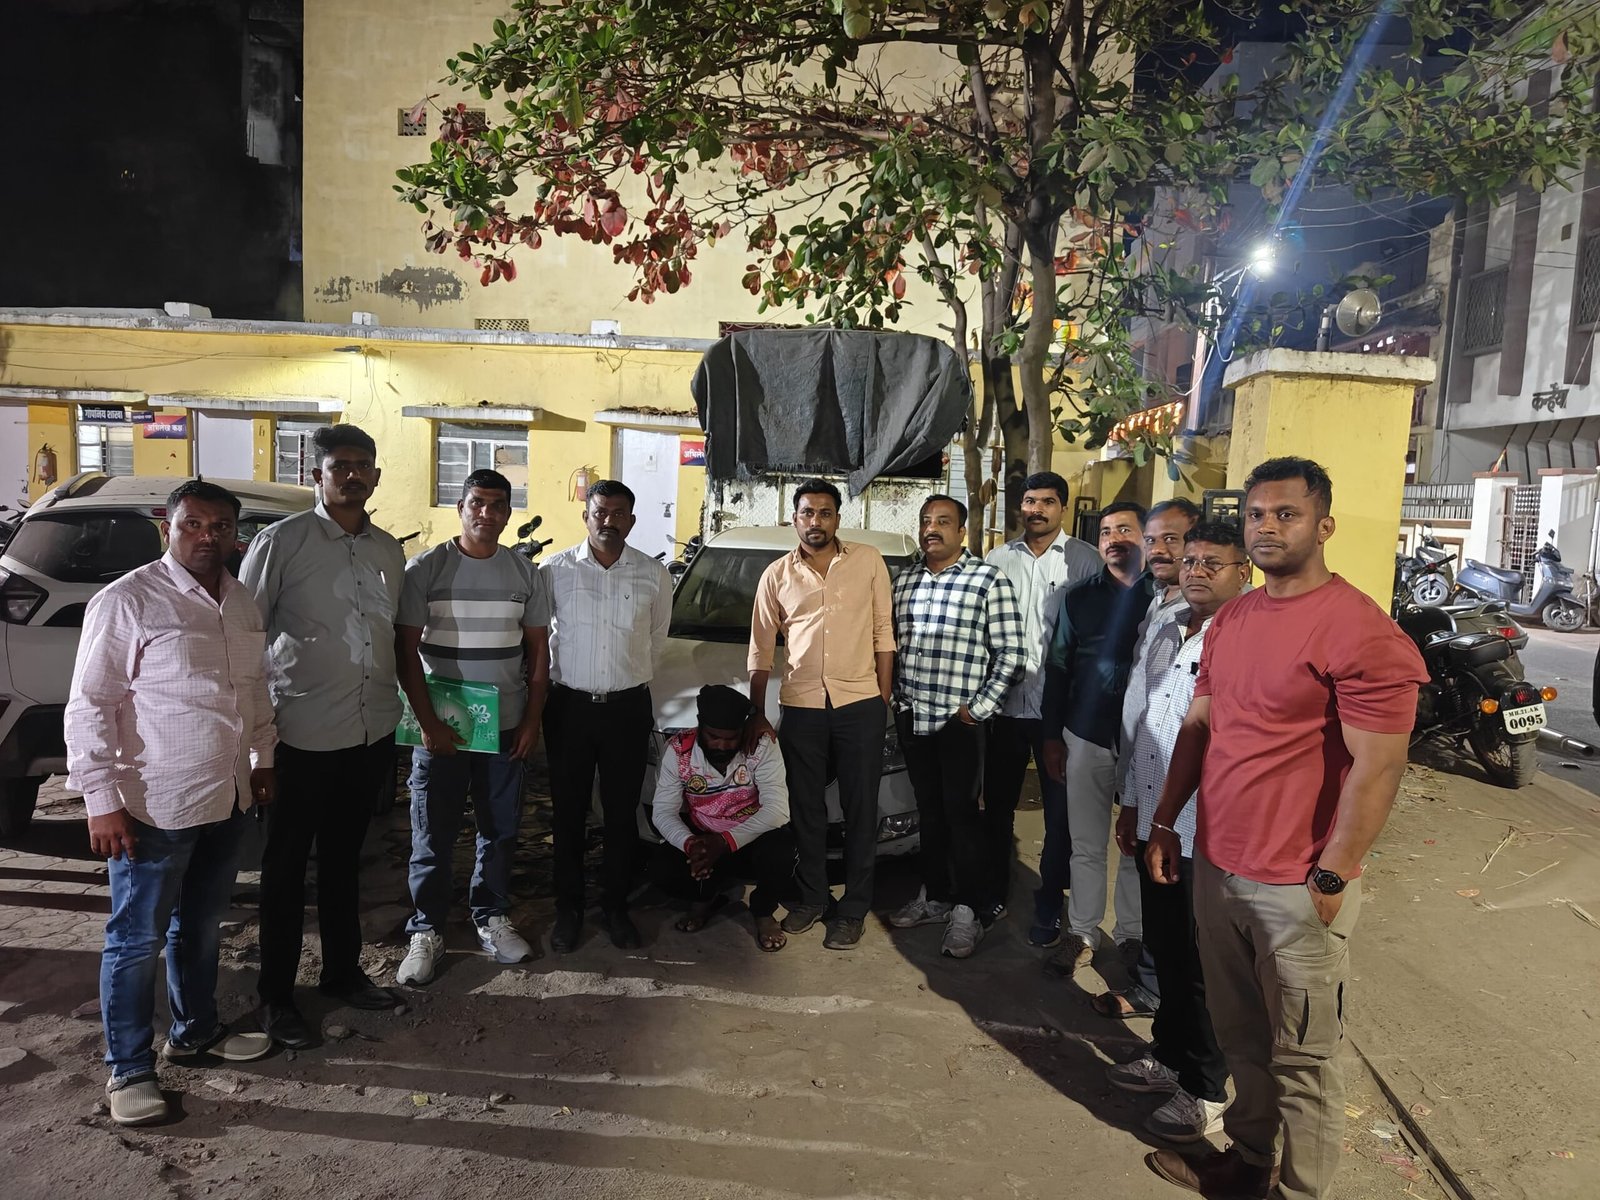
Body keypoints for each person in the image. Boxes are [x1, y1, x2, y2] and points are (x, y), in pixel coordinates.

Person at [1144, 458, 1426, 1200]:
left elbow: (1379, 768)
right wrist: (1166, 819)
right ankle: (1248, 1161)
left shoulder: (1360, 631)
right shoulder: (1235, 619)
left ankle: (1300, 1190)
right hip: (1218, 866)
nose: (1266, 527)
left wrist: (1333, 871)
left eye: (1286, 514)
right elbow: (1200, 726)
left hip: (1297, 884)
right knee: (1240, 1036)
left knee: (1303, 1059)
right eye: (1256, 515)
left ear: (1323, 525)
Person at [66, 480, 275, 1126]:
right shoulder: (128, 600)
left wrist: (263, 762)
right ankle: (129, 1069)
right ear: (169, 528)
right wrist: (100, 799)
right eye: (193, 525)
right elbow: (90, 704)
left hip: (227, 796)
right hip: (153, 806)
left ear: (236, 534)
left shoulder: (241, 600)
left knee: (201, 927)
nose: (207, 537)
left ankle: (194, 1033)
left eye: (220, 527)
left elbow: (254, 689)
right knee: (136, 940)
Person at [240, 424, 407, 1049]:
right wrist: (256, 743)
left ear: (376, 476)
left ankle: (341, 973)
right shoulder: (281, 542)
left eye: (364, 466)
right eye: (341, 466)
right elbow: (247, 638)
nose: (353, 475)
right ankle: (276, 997)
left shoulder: (388, 551)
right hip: (300, 735)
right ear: (317, 475)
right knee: (285, 869)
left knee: (344, 860)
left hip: (369, 732)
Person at [1107, 520, 1248, 1144]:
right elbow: (1143, 718)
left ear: (1243, 571)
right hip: (1156, 818)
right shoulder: (1167, 625)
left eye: (1213, 563)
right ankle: (1169, 1054)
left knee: (1199, 962)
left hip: (1204, 827)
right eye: (1190, 561)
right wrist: (1134, 806)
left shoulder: (1244, 635)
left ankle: (1207, 1086)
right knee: (1165, 947)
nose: (1196, 571)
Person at [393, 469, 551, 986]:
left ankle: (492, 917)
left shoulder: (524, 572)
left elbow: (538, 652)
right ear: (460, 508)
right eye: (477, 503)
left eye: (498, 504)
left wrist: (531, 719)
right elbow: (406, 651)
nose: (487, 513)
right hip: (443, 729)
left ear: (508, 513)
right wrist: (427, 722)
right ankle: (426, 929)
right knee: (432, 832)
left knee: (500, 829)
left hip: (503, 728)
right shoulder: (426, 569)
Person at [748, 478, 895, 951]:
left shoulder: (868, 560)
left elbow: (883, 631)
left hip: (859, 704)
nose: (816, 521)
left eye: (825, 512)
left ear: (837, 518)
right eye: (807, 513)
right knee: (805, 809)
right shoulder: (776, 575)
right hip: (802, 706)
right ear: (795, 519)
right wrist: (757, 713)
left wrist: (881, 698)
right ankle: (812, 898)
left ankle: (853, 908)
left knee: (860, 808)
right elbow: (760, 649)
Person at [888, 495, 1025, 958]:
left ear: (962, 532)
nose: (932, 528)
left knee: (964, 816)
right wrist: (897, 699)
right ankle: (936, 896)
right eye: (926, 521)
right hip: (914, 716)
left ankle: (969, 910)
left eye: (943, 521)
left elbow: (1011, 653)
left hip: (959, 722)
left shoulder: (987, 580)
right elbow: (891, 644)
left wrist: (977, 709)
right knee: (929, 812)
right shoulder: (904, 581)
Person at [542, 480, 673, 952]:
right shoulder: (553, 571)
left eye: (619, 514)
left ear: (631, 521)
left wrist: (623, 678)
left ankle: (616, 907)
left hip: (626, 710)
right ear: (586, 516)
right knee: (568, 813)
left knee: (621, 815)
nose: (608, 521)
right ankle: (569, 910)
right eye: (600, 512)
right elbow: (540, 637)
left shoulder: (653, 574)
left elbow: (656, 639)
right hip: (568, 709)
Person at [983, 471, 1101, 944]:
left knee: (1060, 817)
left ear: (1063, 508)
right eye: (1030, 501)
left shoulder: (1085, 561)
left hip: (1059, 713)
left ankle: (1050, 902)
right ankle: (993, 893)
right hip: (1005, 707)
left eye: (1047, 502)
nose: (1036, 509)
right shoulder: (998, 560)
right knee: (997, 809)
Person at [1094, 497, 1201, 1014]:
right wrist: (1132, 794)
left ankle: (1168, 1002)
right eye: (1152, 540)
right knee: (1157, 894)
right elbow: (1147, 707)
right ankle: (1154, 990)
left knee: (1180, 904)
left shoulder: (1207, 617)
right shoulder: (1159, 601)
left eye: (1172, 540)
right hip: (1146, 775)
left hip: (1184, 793)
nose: (1159, 550)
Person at [1039, 501, 1153, 976]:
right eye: (1105, 532)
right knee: (1085, 841)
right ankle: (1082, 931)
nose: (1113, 539)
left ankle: (1131, 935)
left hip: (1146, 741)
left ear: (1146, 537)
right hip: (1085, 734)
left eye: (1125, 529)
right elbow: (1058, 667)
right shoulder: (1078, 598)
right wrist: (1051, 736)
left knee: (1135, 843)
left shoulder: (1165, 595)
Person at [649, 685, 796, 952]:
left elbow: (777, 809)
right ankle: (704, 900)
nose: (722, 745)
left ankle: (763, 912)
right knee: (661, 868)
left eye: (731, 738)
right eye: (714, 737)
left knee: (782, 848)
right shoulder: (679, 750)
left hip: (749, 837)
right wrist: (691, 845)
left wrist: (724, 842)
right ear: (699, 726)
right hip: (704, 836)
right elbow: (663, 811)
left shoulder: (761, 745)